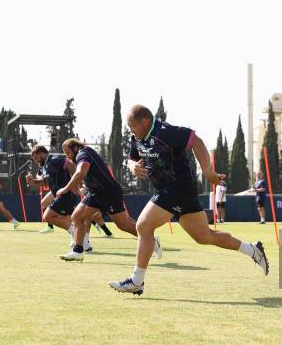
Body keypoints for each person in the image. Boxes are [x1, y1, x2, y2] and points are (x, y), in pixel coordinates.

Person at [108, 105, 269, 296]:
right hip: (174, 191)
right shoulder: (137, 138)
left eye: (132, 125)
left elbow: (195, 140)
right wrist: (133, 166)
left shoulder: (165, 132)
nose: (130, 130)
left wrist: (208, 171)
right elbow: (130, 158)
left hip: (178, 188)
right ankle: (253, 250)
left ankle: (137, 281)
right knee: (204, 236)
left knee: (143, 226)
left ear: (145, 121)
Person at [56, 138, 161, 261]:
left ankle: (152, 240)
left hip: (109, 193)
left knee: (124, 224)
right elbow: (92, 174)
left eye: (68, 153)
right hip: (95, 193)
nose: (67, 157)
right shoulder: (84, 153)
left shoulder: (82, 153)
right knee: (77, 216)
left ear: (74, 148)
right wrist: (85, 187)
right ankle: (78, 251)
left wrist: (65, 188)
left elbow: (81, 173)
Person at [25, 145, 89, 250]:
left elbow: (71, 164)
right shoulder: (45, 166)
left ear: (42, 153)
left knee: (47, 216)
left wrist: (76, 184)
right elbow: (45, 182)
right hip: (62, 194)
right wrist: (34, 182)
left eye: (36, 158)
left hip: (65, 193)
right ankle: (83, 243)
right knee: (68, 219)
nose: (35, 161)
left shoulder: (54, 160)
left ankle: (77, 235)